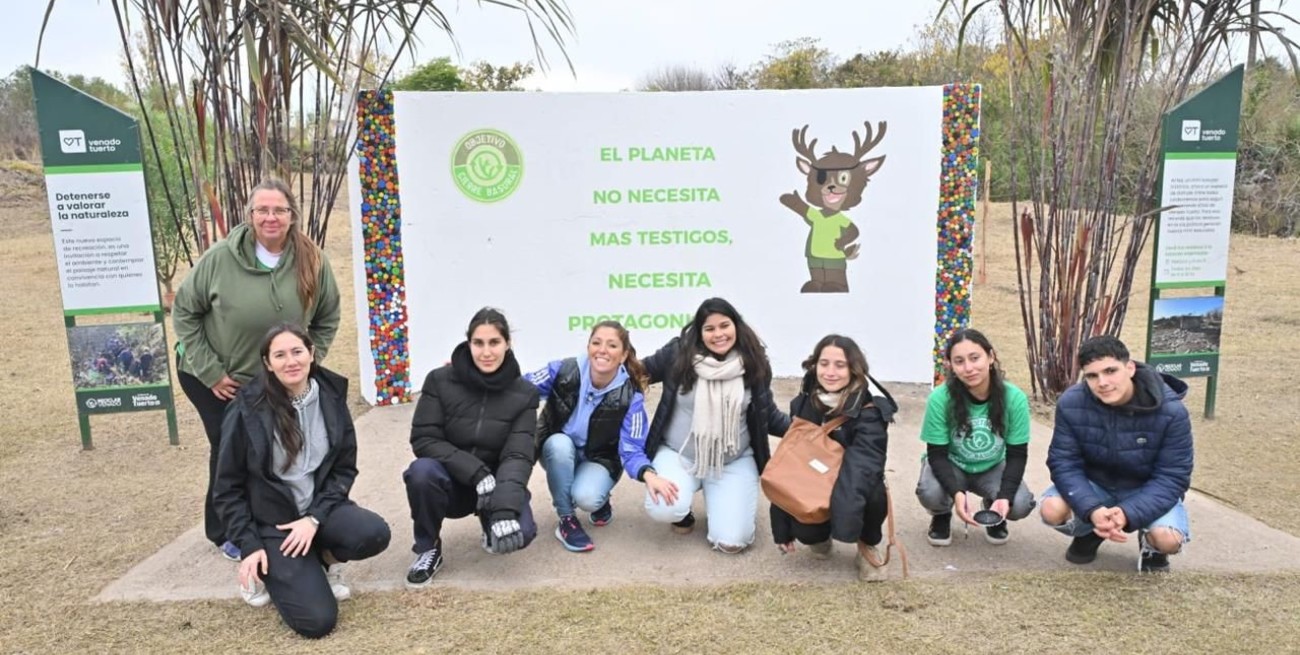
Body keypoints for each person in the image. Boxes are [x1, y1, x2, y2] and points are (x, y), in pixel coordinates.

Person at [173, 178, 341, 562]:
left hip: (276, 377)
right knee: (230, 448)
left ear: (292, 215)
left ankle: (275, 521)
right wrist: (211, 371)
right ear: (249, 216)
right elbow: (185, 311)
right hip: (217, 377)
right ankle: (226, 532)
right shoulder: (220, 259)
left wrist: (308, 362)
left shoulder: (312, 259)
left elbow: (328, 315)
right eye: (262, 210)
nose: (270, 217)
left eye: (279, 210)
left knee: (270, 449)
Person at [212, 323, 390, 638]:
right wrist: (249, 545)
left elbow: (344, 469)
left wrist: (314, 518)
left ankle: (324, 557)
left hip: (319, 511)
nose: (290, 361)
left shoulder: (331, 396)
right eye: (279, 355)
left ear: (311, 353)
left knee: (374, 533)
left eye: (297, 351)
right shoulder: (246, 410)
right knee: (317, 622)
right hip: (273, 525)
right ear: (267, 363)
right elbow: (227, 488)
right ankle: (274, 570)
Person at [619, 297, 791, 554]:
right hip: (679, 454)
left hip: (732, 460)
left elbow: (770, 417)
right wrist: (602, 365)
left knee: (733, 542)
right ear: (699, 332)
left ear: (737, 326)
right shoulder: (678, 354)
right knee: (665, 508)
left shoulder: (754, 362)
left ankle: (722, 501)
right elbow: (636, 373)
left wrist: (813, 429)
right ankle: (683, 511)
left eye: (724, 326)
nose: (718, 334)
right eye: (709, 328)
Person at [403, 308, 541, 586]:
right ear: (469, 343)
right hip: (452, 482)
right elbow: (424, 439)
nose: (486, 352)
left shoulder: (524, 394)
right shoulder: (439, 380)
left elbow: (518, 455)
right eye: (478, 343)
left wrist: (503, 510)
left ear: (507, 344)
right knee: (421, 472)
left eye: (494, 343)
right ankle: (428, 548)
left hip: (496, 487)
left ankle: (490, 520)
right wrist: (476, 473)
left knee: (521, 534)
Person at [1040, 335, 1193, 573]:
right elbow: (1063, 462)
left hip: (1144, 487)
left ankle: (1151, 546)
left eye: (1110, 371)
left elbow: (1173, 477)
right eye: (1092, 375)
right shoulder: (1071, 403)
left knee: (1167, 538)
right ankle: (1090, 531)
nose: (1102, 382)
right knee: (1051, 510)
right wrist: (1091, 510)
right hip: (1096, 486)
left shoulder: (1172, 412)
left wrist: (1128, 513)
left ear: (1130, 368)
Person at [771, 335, 899, 581]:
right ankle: (820, 535)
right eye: (824, 363)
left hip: (852, 481)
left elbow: (862, 466)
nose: (830, 372)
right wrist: (782, 526)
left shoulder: (870, 410)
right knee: (807, 533)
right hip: (815, 479)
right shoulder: (803, 402)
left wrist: (846, 527)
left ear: (853, 369)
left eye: (840, 365)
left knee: (874, 494)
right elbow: (790, 463)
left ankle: (867, 544)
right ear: (814, 365)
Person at [526, 321, 649, 552]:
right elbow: (521, 387)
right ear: (588, 346)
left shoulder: (631, 396)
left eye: (612, 345)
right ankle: (566, 519)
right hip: (560, 452)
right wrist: (471, 376)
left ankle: (600, 500)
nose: (602, 350)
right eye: (596, 343)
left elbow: (633, 447)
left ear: (623, 355)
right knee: (559, 444)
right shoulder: (563, 369)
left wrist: (648, 474)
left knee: (588, 498)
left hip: (599, 459)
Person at [915, 328, 1036, 547]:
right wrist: (956, 493)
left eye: (975, 358)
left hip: (991, 467)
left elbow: (1017, 455)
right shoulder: (940, 398)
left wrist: (1004, 496)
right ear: (950, 366)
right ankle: (942, 514)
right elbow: (937, 454)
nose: (968, 368)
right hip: (951, 464)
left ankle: (993, 509)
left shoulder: (1014, 398)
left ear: (990, 357)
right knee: (930, 492)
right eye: (959, 361)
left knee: (1019, 504)